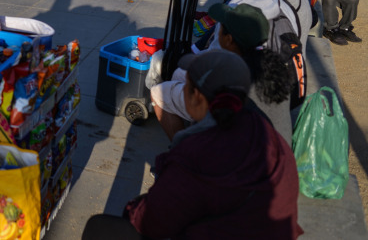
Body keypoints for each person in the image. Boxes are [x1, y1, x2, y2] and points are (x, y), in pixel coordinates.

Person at [83, 51, 302, 240]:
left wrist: (133, 207)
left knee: (101, 228)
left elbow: (150, 221)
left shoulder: (195, 155)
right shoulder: (268, 135)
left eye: (185, 85)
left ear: (196, 96)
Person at [152, 0, 298, 139]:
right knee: (178, 74)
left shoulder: (236, 14)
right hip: (278, 93)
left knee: (160, 92)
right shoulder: (279, 4)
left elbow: (214, 65)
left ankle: (185, 148)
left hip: (236, 99)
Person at [208, 3, 295, 144]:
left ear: (229, 39)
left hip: (255, 158)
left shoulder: (233, 77)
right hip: (281, 152)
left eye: (220, 28)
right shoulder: (273, 62)